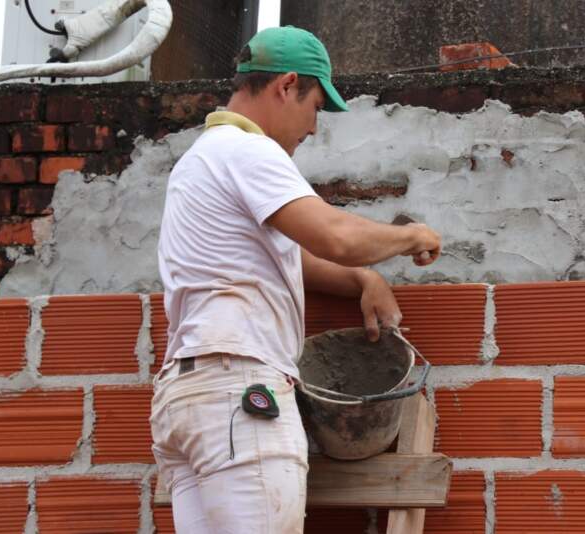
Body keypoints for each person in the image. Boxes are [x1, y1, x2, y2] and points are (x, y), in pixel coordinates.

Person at [149, 26, 441, 534]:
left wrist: (361, 281)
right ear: (287, 86)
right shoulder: (249, 151)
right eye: (315, 107)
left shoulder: (200, 161)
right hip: (240, 393)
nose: (312, 128)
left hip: (189, 399)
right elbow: (334, 236)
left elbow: (290, 258)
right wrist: (410, 236)